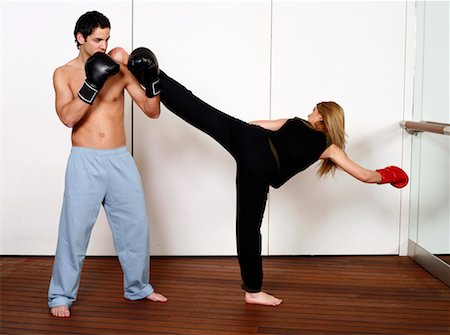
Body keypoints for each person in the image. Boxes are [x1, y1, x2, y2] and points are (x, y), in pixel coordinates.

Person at [126, 47, 408, 307]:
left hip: (249, 140)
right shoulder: (329, 149)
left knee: (201, 112)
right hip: (258, 164)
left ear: (322, 116)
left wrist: (238, 137)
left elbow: (257, 125)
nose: (310, 111)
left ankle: (152, 75)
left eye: (315, 109)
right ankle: (253, 290)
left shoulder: (296, 122)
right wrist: (391, 175)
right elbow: (365, 175)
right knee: (248, 227)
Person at [48, 12, 167, 318]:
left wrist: (152, 81)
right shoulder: (63, 73)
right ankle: (61, 294)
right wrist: (91, 83)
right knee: (73, 232)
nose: (104, 46)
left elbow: (151, 111)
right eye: (98, 39)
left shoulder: (120, 71)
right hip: (85, 160)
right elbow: (68, 118)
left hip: (119, 159)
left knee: (135, 228)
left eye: (107, 39)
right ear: (81, 38)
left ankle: (138, 287)